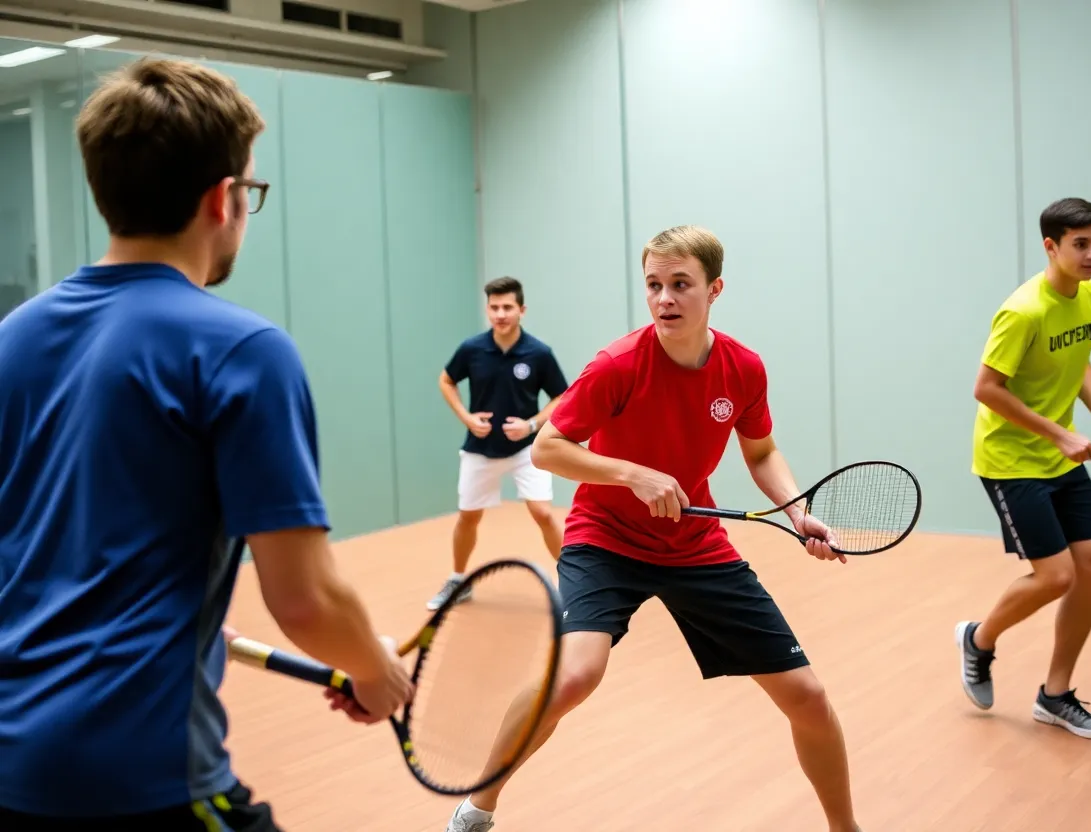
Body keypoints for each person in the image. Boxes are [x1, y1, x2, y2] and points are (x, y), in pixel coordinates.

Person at [0, 57, 412, 830]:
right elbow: (306, 599)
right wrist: (374, 670)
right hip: (141, 774)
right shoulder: (240, 350)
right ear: (223, 200)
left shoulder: (11, 341)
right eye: (250, 191)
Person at [443, 226, 863, 832]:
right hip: (605, 537)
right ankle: (478, 805)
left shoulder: (742, 369)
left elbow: (762, 450)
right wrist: (631, 474)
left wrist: (797, 509)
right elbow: (549, 447)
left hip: (695, 543)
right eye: (654, 286)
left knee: (809, 698)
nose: (664, 298)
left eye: (680, 285)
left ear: (714, 289)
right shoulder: (617, 365)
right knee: (575, 675)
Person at [956, 197, 1091, 741]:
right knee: (1057, 576)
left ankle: (1055, 696)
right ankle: (979, 639)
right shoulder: (1023, 310)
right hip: (1011, 461)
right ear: (1051, 246)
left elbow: (1078, 362)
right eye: (1081, 244)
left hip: (1059, 455)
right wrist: (1059, 432)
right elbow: (986, 388)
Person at [429, 276, 569, 611]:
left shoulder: (539, 353)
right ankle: (458, 581)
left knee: (544, 514)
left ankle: (573, 584)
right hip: (480, 450)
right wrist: (466, 417)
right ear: (487, 309)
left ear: (521, 310)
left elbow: (562, 396)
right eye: (494, 307)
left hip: (526, 450)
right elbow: (446, 380)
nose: (500, 314)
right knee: (468, 516)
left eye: (507, 307)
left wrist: (532, 424)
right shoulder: (472, 349)